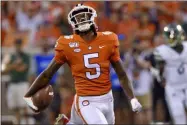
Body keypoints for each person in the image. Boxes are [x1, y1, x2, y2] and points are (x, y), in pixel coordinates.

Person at [23, 4, 142, 124]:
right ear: (73, 23)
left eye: (84, 17)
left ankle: (66, 123)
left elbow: (122, 73)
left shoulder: (109, 39)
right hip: (86, 99)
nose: (82, 20)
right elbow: (47, 74)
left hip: (107, 98)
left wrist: (132, 98)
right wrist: (28, 95)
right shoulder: (67, 43)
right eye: (79, 18)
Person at [153, 23, 187, 124]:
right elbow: (160, 69)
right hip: (173, 87)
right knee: (178, 114)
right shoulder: (161, 51)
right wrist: (161, 78)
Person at [2, 39, 34, 124]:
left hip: (22, 83)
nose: (18, 47)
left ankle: (26, 123)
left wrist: (11, 67)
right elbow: (3, 70)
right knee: (15, 107)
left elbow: (23, 69)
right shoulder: (10, 56)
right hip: (12, 84)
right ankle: (18, 123)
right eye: (16, 45)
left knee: (24, 107)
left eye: (19, 45)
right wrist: (14, 65)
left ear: (21, 46)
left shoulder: (26, 56)